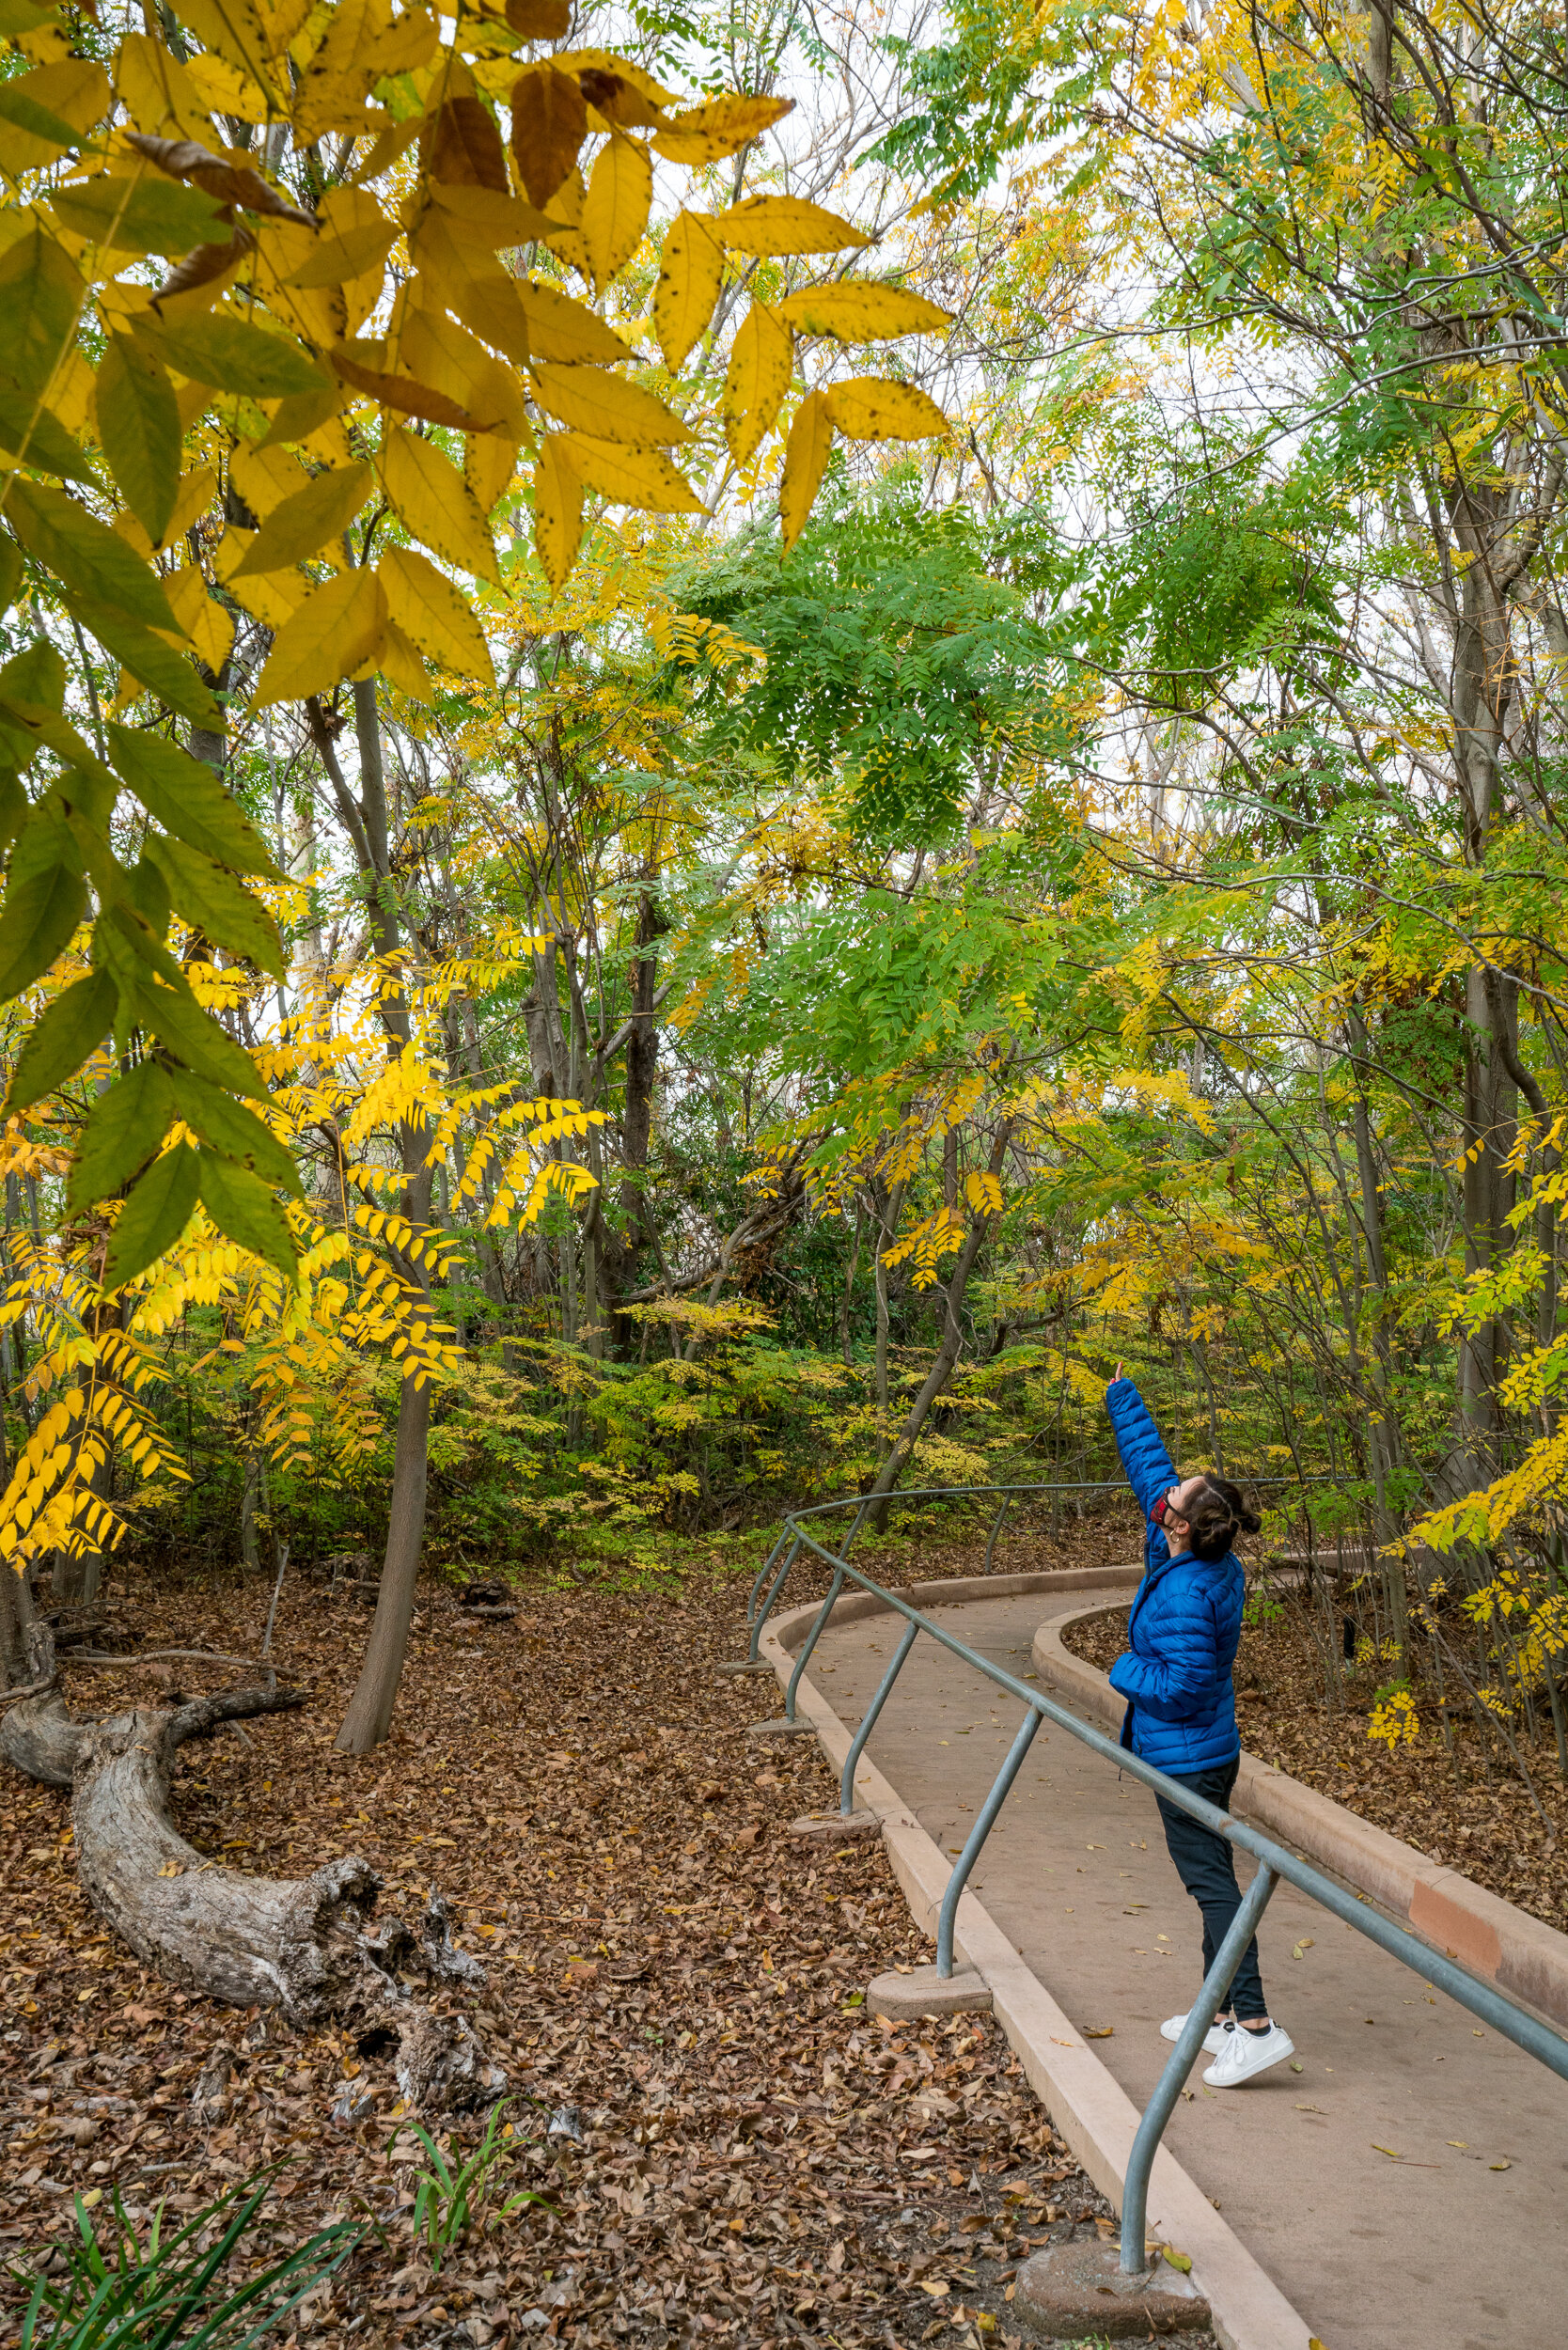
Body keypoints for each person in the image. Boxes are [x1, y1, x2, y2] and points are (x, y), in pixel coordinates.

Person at [1103, 1364, 1294, 2088]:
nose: (1166, 1497)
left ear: (1180, 1527)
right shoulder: (1206, 1557)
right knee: (1207, 1880)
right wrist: (1124, 1397)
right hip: (1206, 1749)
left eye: (1173, 1501)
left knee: (1214, 1886)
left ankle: (1254, 2025)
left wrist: (1123, 1670)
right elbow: (1153, 1470)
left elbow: (1179, 1687)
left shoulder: (1186, 1590)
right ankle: (1218, 2016)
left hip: (1186, 1755)